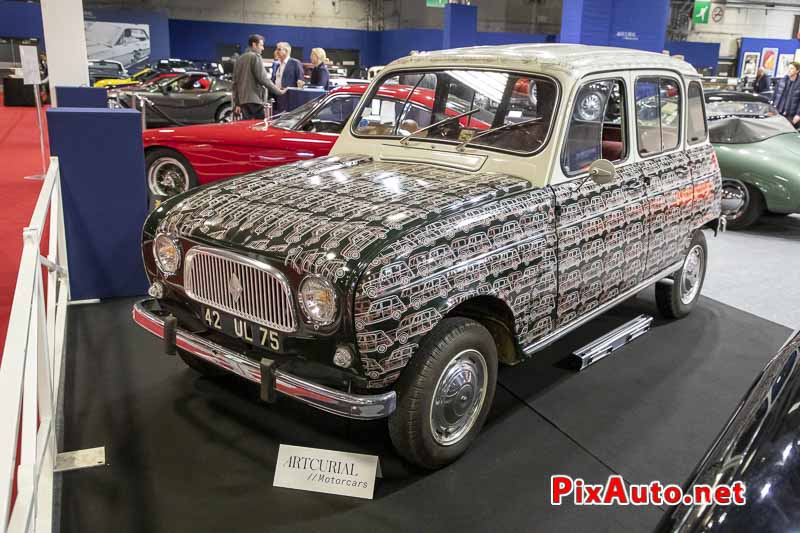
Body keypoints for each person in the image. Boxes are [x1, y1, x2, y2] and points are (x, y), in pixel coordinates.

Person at [232, 34, 285, 120]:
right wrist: (279, 91)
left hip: (243, 101)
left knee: (247, 128)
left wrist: (237, 103)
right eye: (261, 45)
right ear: (254, 44)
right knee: (260, 127)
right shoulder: (255, 57)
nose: (263, 48)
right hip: (255, 101)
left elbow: (235, 83)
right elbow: (263, 79)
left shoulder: (239, 59)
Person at [271, 41, 304, 112]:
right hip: (277, 96)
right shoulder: (277, 65)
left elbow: (300, 81)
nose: (276, 51)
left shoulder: (295, 63)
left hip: (289, 98)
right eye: (277, 49)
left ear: (286, 51)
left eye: (279, 49)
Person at [772, 61, 800, 127]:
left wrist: (798, 114)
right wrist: (771, 109)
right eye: (788, 68)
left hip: (791, 115)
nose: (789, 70)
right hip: (778, 113)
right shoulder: (781, 81)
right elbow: (774, 96)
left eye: (792, 68)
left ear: (797, 70)